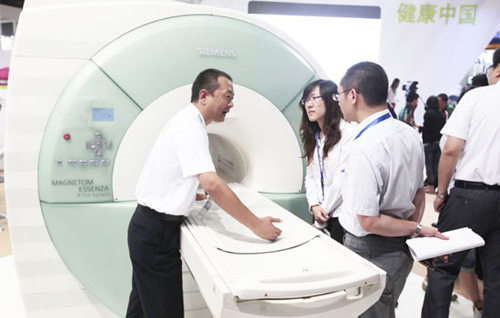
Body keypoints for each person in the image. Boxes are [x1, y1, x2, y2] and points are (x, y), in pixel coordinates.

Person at [126, 68, 282, 318]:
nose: (231, 104)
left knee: (141, 310)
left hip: (148, 229)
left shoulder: (187, 121)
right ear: (204, 95)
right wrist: (257, 226)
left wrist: (187, 194)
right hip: (155, 235)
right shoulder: (190, 126)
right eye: (228, 96)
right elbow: (212, 183)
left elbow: (175, 170)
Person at [336, 61, 446, 318]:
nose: (337, 101)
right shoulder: (408, 134)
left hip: (370, 251)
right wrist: (410, 230)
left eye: (338, 95)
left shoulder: (364, 146)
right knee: (386, 309)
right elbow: (419, 193)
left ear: (353, 95)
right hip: (400, 252)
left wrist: (416, 228)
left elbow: (368, 221)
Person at [423, 48, 500, 318]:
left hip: (469, 198)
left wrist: (441, 192)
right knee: (496, 278)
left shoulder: (477, 97)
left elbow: (451, 150)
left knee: (443, 269)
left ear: (496, 70)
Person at [299, 79, 356, 244]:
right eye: (306, 100)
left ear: (332, 99)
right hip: (320, 212)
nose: (309, 105)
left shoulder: (348, 134)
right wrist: (314, 205)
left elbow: (341, 179)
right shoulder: (313, 136)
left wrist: (320, 219)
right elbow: (310, 176)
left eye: (315, 98)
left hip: (340, 215)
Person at [421, 96, 446, 194]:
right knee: (436, 165)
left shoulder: (428, 114)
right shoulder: (441, 115)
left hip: (428, 142)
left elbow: (427, 128)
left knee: (429, 165)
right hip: (438, 142)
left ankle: (430, 185)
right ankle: (436, 185)